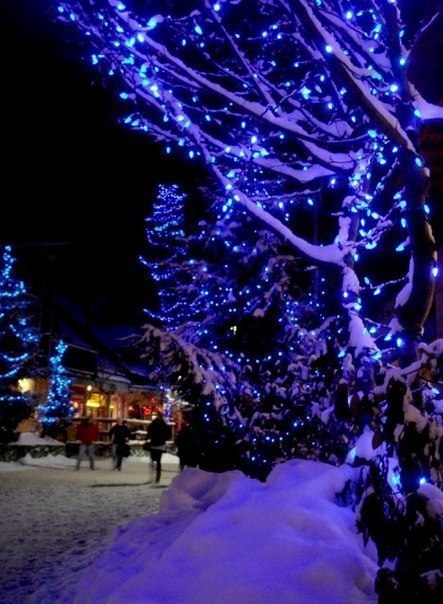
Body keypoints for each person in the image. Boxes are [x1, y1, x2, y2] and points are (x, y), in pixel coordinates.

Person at [145, 412, 172, 484]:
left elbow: (149, 432)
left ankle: (152, 475)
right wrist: (163, 439)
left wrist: (149, 437)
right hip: (161, 445)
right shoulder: (164, 425)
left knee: (152, 459)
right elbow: (169, 435)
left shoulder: (153, 423)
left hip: (153, 444)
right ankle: (157, 477)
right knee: (158, 461)